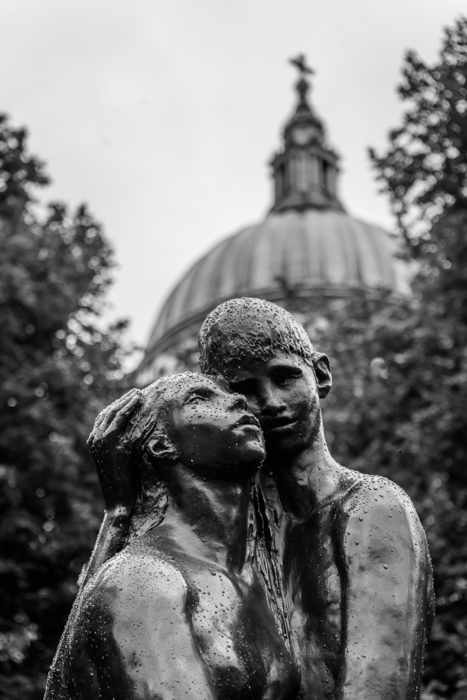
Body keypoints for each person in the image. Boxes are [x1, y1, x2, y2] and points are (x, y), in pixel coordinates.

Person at [198, 298, 434, 699]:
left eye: (285, 378)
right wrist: (119, 510)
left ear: (320, 374)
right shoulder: (222, 536)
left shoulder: (373, 509)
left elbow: (378, 688)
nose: (271, 402)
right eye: (245, 389)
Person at [45, 372, 300, 700]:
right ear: (161, 444)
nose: (238, 399)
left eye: (229, 394)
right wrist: (119, 514)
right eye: (199, 398)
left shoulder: (258, 576)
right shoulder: (143, 578)